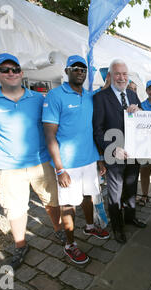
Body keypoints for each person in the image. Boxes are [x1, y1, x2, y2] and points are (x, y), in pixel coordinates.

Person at [0, 53, 62, 269]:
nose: (10, 73)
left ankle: (60, 231)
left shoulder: (39, 99)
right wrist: (6, 145)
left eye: (14, 69)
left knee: (52, 200)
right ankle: (21, 245)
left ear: (22, 73)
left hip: (41, 161)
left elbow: (50, 126)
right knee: (15, 208)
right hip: (8, 167)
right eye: (5, 69)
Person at [43, 55, 110, 264]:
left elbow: (91, 130)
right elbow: (49, 135)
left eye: (83, 69)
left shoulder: (90, 96)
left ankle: (90, 227)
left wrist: (99, 158)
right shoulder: (54, 96)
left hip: (90, 159)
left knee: (89, 196)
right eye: (75, 68)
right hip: (68, 164)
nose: (80, 72)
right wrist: (60, 169)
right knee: (69, 204)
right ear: (67, 71)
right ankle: (70, 244)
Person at [93, 59, 147, 244]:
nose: (121, 77)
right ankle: (117, 227)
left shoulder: (132, 94)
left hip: (133, 154)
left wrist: (139, 111)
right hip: (114, 154)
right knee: (115, 194)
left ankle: (130, 217)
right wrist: (112, 149)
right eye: (117, 74)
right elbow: (97, 130)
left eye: (124, 74)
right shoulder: (100, 97)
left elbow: (144, 121)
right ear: (110, 75)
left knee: (131, 188)